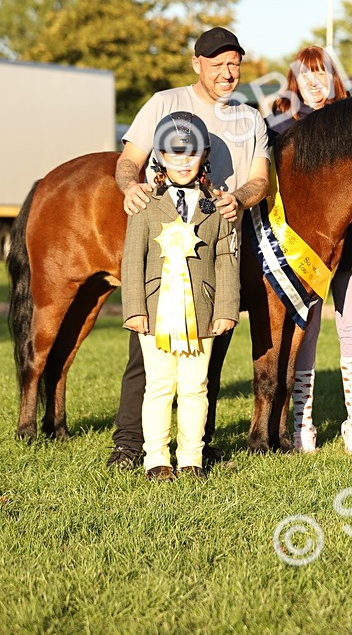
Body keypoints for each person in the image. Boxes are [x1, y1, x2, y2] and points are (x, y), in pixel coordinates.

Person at [108, 26, 270, 470]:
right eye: (217, 64)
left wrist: (239, 199)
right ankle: (129, 442)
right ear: (197, 64)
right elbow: (128, 162)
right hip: (163, 246)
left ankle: (198, 445)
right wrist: (130, 189)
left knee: (210, 350)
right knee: (147, 361)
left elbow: (259, 178)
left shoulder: (250, 118)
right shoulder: (163, 103)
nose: (227, 72)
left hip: (220, 234)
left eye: (234, 64)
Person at [266, 46, 352, 454]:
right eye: (305, 75)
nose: (313, 82)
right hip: (302, 248)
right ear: (294, 81)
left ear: (334, 77)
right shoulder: (280, 124)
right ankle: (303, 423)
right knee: (308, 331)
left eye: (321, 73)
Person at [121, 113, 239, 480]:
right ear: (160, 156)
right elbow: (131, 260)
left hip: (202, 312)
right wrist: (133, 310)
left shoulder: (217, 208)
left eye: (191, 154)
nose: (183, 162)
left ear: (203, 157)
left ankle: (191, 458)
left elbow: (226, 258)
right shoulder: (144, 205)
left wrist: (226, 309)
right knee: (158, 386)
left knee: (195, 387)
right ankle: (155, 458)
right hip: (154, 312)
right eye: (175, 154)